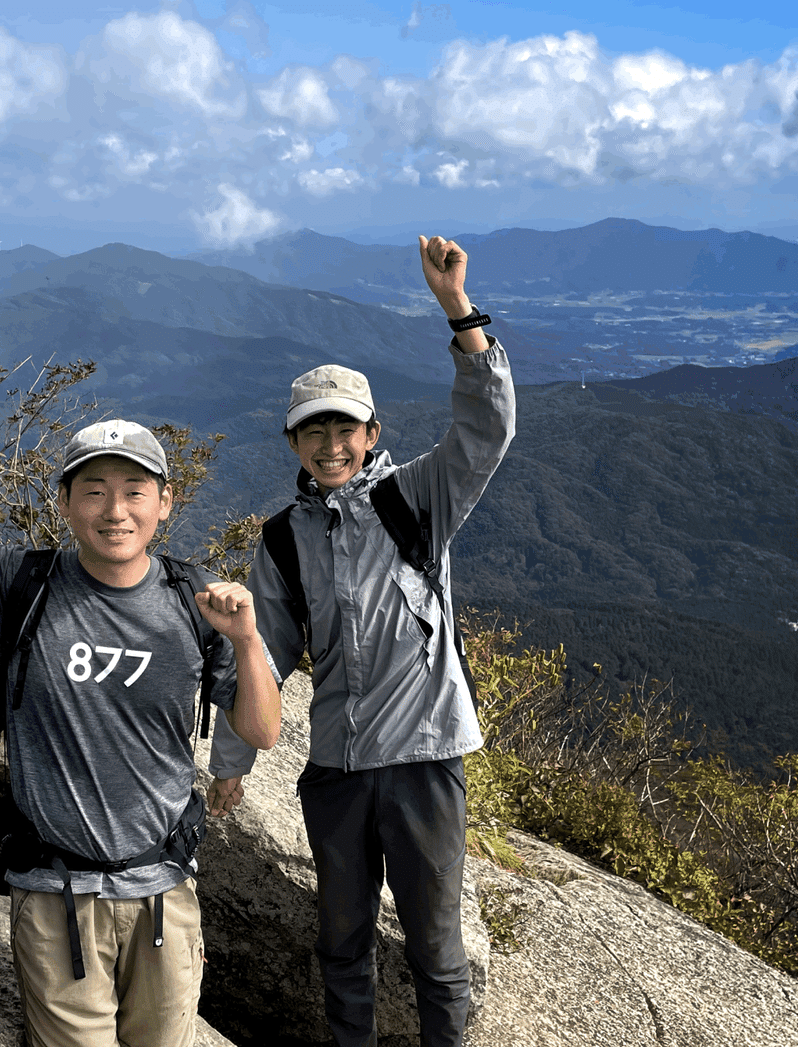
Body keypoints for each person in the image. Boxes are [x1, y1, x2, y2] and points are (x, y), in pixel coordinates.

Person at [0, 385, 280, 1047]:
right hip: (55, 896)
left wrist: (247, 640)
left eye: (135, 490)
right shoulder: (18, 583)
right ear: (65, 503)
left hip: (164, 889)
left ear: (165, 502)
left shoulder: (196, 601)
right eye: (94, 490)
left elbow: (262, 730)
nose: (115, 510)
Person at [207, 234, 514, 1047]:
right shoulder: (281, 540)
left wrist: (459, 310)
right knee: (340, 942)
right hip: (338, 770)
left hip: (422, 761)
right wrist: (233, 765)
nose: (331, 444)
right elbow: (262, 655)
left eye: (345, 428)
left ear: (372, 433)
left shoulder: (418, 498)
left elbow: (487, 430)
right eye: (314, 432)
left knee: (438, 949)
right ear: (293, 443)